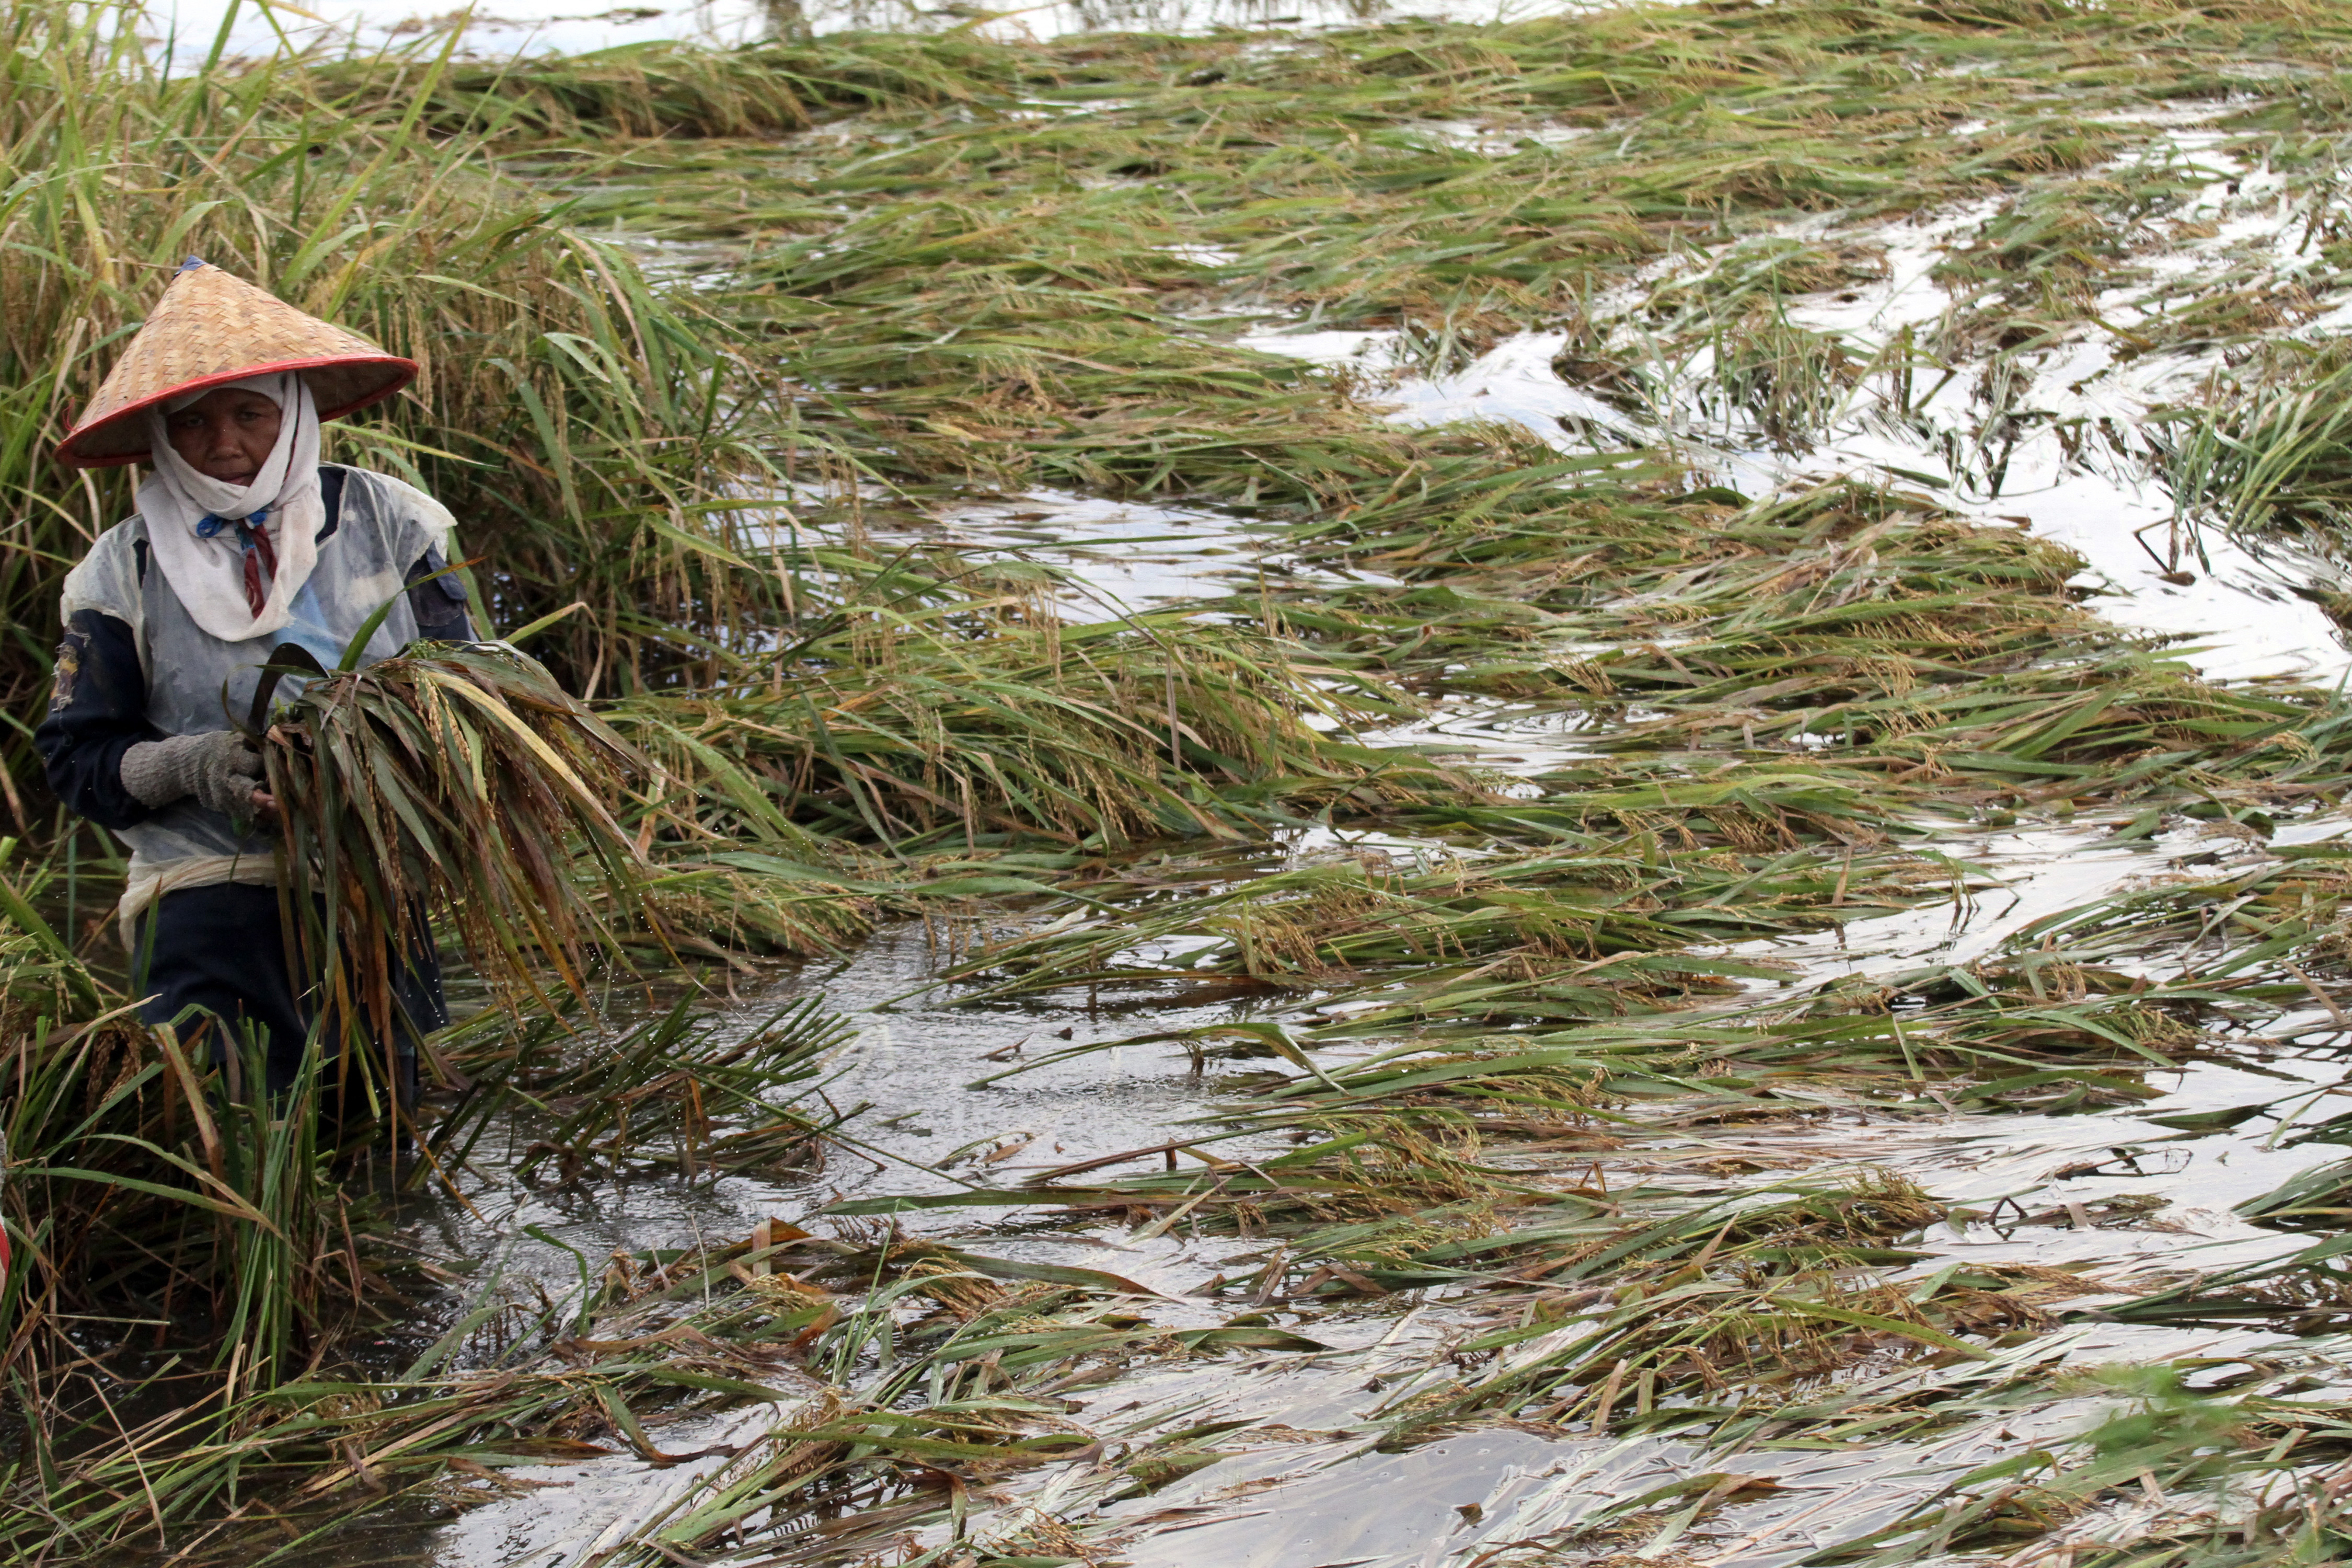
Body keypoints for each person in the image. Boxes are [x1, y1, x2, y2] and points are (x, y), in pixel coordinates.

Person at [36, 258, 475, 1115]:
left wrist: (364, 770)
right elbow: (76, 758)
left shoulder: (394, 523)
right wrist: (198, 768)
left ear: (298, 412)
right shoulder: (119, 572)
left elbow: (472, 697)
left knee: (384, 1130)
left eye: (250, 415)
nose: (225, 444)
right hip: (204, 887)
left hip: (369, 880)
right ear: (162, 435)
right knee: (221, 1133)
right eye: (192, 423)